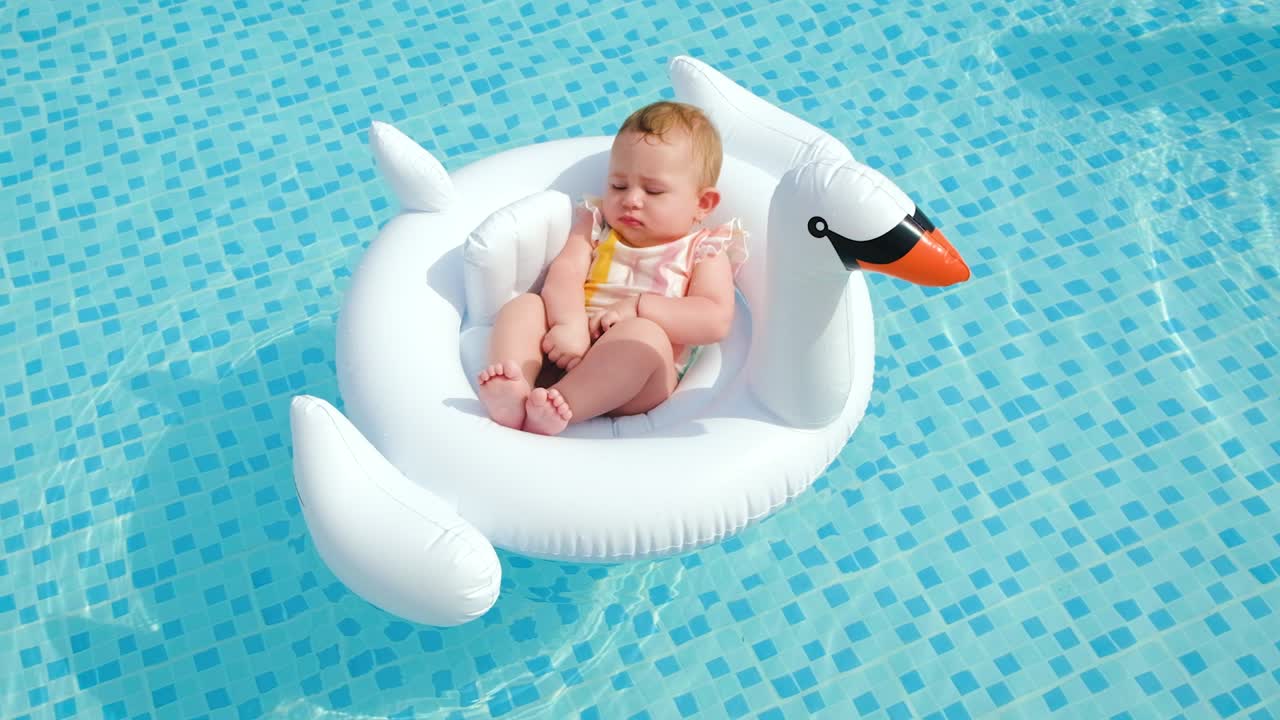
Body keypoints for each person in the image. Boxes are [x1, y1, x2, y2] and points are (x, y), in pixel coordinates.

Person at [476, 101, 748, 435]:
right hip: (568, 345)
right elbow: (565, 273)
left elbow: (714, 319)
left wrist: (638, 307)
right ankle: (514, 388)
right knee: (525, 305)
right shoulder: (597, 225)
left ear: (702, 204)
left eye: (653, 190)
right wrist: (569, 323)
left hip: (637, 380)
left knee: (641, 335)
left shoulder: (705, 250)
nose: (631, 199)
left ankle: (562, 404)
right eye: (618, 186)